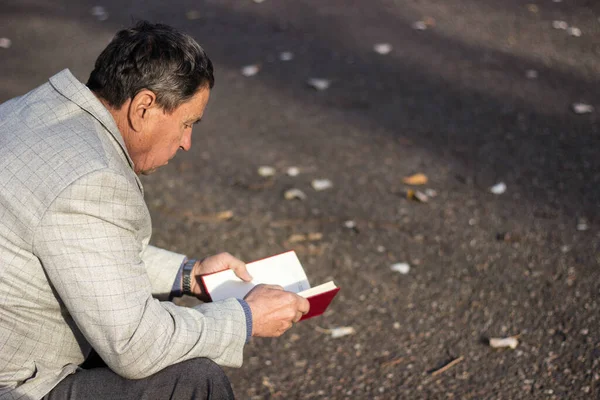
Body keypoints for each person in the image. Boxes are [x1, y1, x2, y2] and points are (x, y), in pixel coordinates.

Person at [0, 21, 310, 400]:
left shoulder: (29, 113)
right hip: (13, 384)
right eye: (186, 123)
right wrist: (245, 319)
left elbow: (87, 253)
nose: (186, 143)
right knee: (193, 381)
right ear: (144, 106)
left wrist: (189, 275)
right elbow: (135, 345)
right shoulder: (91, 177)